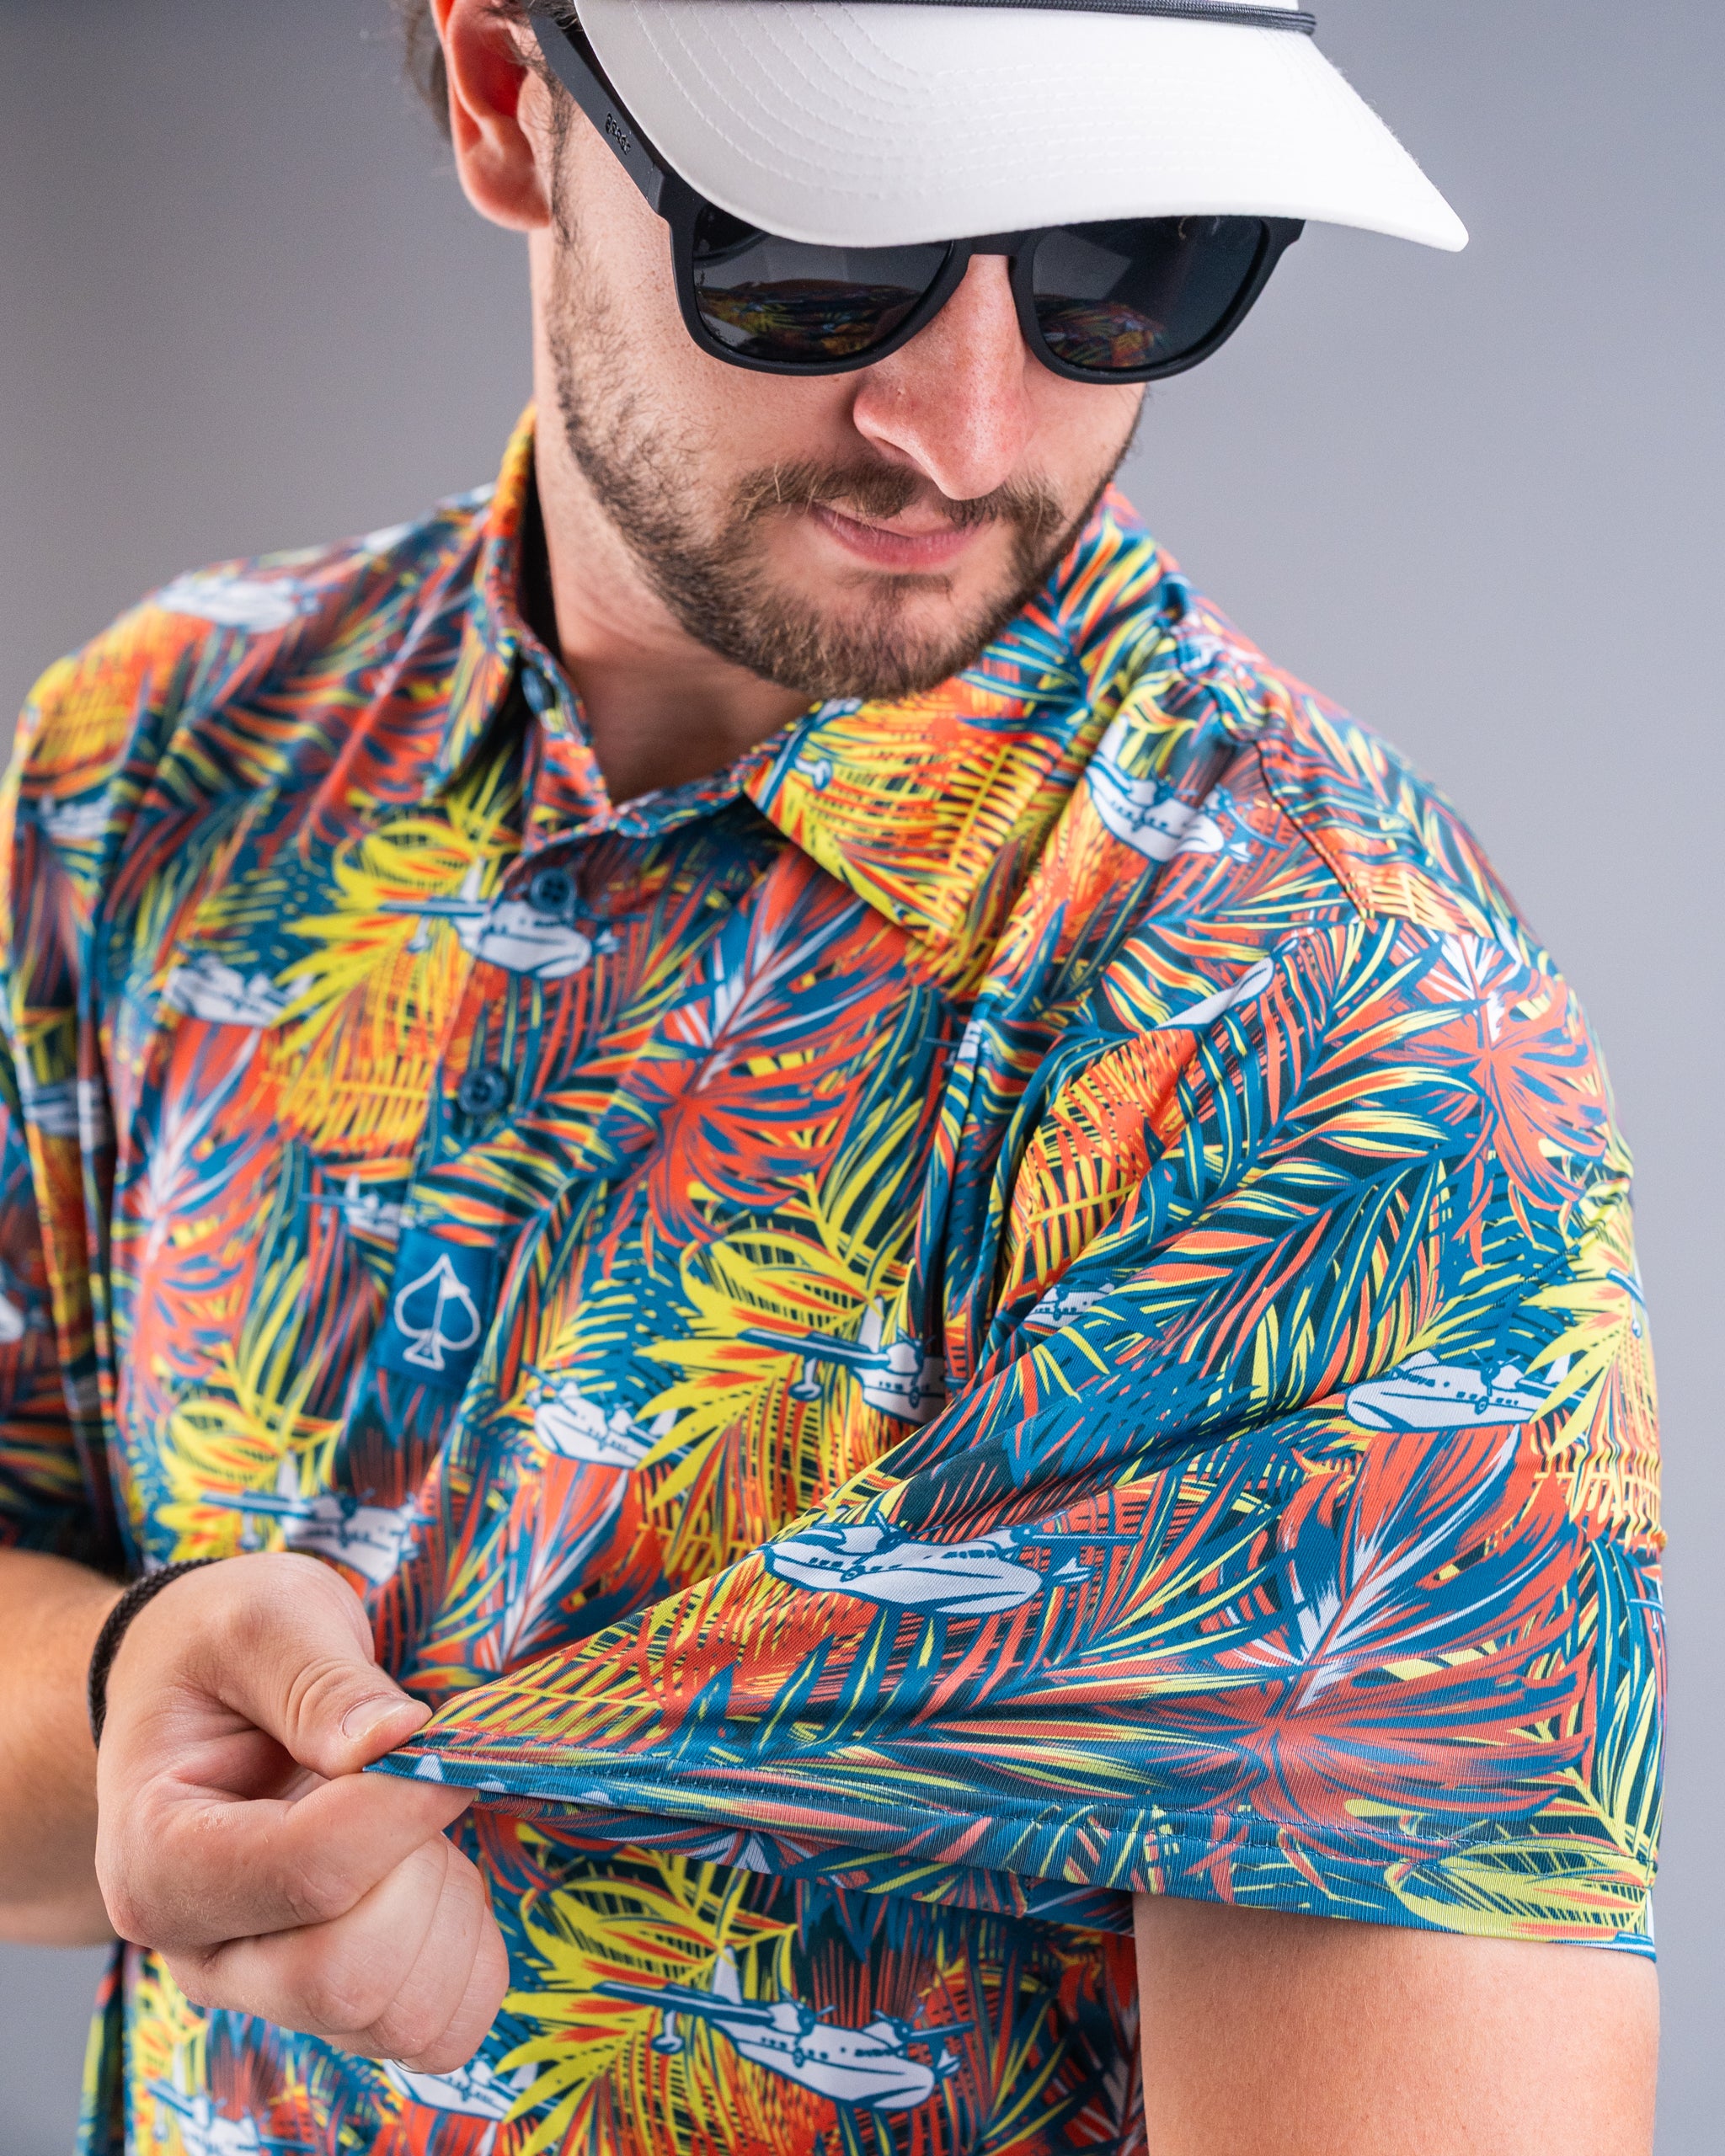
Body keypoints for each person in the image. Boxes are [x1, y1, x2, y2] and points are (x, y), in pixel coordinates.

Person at [0, 3, 1664, 2151]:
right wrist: (134, 1702)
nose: (964, 424)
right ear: (514, 102)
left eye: (1121, 262)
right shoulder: (166, 763)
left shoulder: (1322, 1033)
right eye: (821, 244)